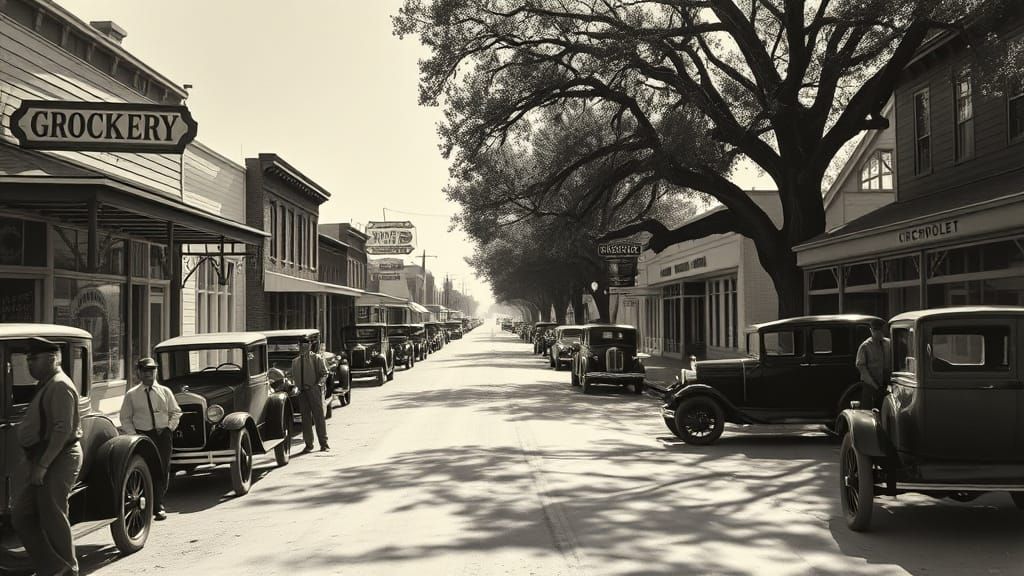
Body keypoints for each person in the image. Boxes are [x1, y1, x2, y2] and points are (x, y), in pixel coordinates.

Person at [12, 337, 83, 576]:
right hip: (43, 457)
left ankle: (68, 569)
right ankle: (53, 567)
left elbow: (62, 429)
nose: (30, 364)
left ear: (52, 358)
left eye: (35, 358)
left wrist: (42, 465)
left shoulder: (59, 384)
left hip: (58, 456)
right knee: (21, 514)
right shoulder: (47, 383)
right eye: (28, 359)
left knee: (53, 513)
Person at [119, 357, 181, 521]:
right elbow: (125, 418)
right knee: (146, 469)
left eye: (152, 370)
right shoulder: (132, 395)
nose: (149, 374)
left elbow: (176, 411)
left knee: (162, 470)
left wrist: (169, 427)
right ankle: (145, 504)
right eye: (146, 371)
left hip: (162, 435)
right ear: (139, 373)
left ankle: (158, 505)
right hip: (143, 436)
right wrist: (134, 435)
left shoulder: (165, 391)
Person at [291, 340, 329, 453]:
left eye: (306, 346)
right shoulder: (295, 362)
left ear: (310, 346)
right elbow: (293, 376)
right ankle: (309, 444)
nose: (304, 348)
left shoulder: (316, 358)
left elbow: (324, 373)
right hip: (302, 392)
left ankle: (324, 443)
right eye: (301, 346)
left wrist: (318, 385)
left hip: (314, 390)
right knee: (305, 419)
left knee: (319, 417)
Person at [855, 318, 892, 410]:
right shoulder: (865, 346)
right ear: (871, 330)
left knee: (885, 411)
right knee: (869, 412)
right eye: (875, 330)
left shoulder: (889, 343)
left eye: (880, 330)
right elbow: (861, 367)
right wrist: (874, 385)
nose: (878, 332)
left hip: (886, 385)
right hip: (870, 386)